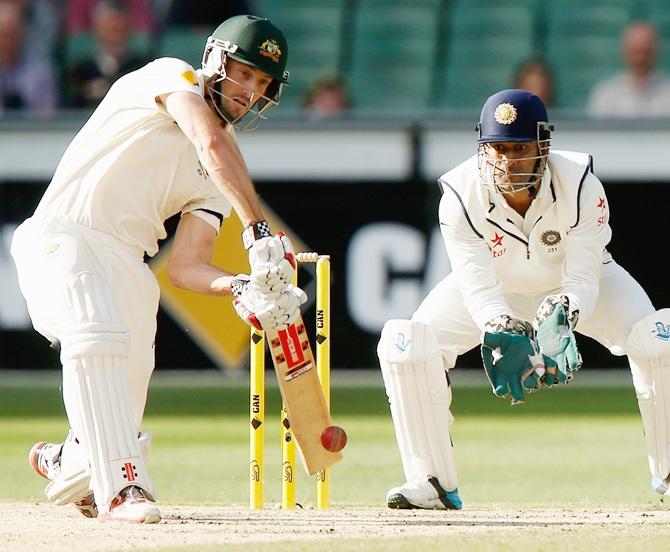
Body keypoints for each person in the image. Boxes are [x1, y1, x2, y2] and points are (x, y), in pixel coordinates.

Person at [11, 14, 305, 524]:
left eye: (261, 84)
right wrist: (258, 231)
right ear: (215, 60)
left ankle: (68, 461)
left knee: (120, 404)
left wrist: (238, 286)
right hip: (63, 236)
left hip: (128, 263)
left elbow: (187, 266)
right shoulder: (169, 77)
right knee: (96, 339)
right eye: (244, 73)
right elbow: (209, 141)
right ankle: (123, 488)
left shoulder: (219, 177)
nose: (249, 92)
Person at [377, 88, 670, 510]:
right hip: (497, 288)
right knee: (406, 344)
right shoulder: (459, 195)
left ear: (543, 147)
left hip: (578, 286)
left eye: (519, 148)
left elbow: (584, 277)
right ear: (483, 149)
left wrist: (564, 312)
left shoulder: (582, 184)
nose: (508, 161)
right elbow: (476, 284)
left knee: (659, 337)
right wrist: (499, 326)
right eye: (497, 149)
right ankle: (431, 482)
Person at [66, 0, 149, 108]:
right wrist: (87, 93)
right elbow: (69, 108)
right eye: (108, 27)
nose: (114, 28)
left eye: (119, 29)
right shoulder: (81, 69)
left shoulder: (142, 67)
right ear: (96, 28)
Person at [588, 21, 670, 118]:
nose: (641, 58)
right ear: (624, 51)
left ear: (655, 52)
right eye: (636, 52)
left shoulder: (667, 92)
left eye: (646, 51)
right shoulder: (606, 95)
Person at [0, 0, 57, 114]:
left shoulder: (41, 72)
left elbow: (49, 118)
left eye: (12, 34)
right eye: (3, 35)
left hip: (32, 131)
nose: (7, 42)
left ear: (22, 34)